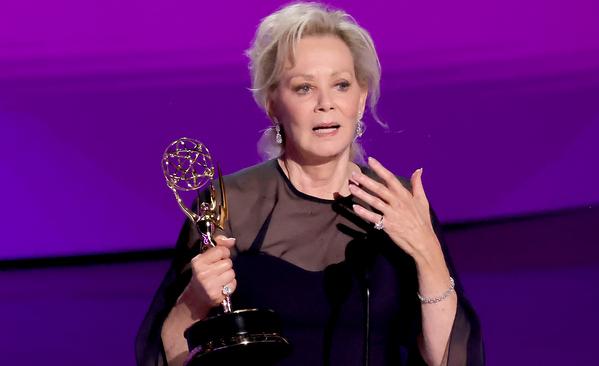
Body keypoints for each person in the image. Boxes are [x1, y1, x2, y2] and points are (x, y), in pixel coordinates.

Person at [136, 2, 484, 365]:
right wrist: (194, 300)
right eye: (304, 88)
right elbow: (169, 355)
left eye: (341, 85)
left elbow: (446, 358)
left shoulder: (398, 203)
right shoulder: (231, 205)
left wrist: (428, 255)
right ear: (273, 104)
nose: (325, 104)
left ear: (361, 99)